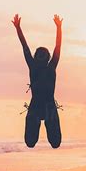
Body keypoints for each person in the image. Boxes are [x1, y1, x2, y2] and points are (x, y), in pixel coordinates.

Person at [12, 13, 63, 148]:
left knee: (55, 143)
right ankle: (40, 123)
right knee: (31, 143)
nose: (40, 56)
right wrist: (18, 28)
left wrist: (59, 28)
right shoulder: (36, 66)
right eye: (39, 54)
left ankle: (46, 124)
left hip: (47, 105)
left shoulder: (47, 66)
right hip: (40, 105)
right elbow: (25, 47)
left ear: (46, 58)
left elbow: (57, 48)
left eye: (42, 54)